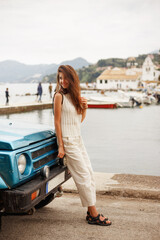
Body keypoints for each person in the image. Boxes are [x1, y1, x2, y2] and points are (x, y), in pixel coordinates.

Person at [53, 65, 112, 226]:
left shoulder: (74, 96)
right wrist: (61, 146)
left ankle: (89, 211)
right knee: (83, 177)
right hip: (68, 141)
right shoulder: (59, 96)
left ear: (72, 78)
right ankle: (93, 214)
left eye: (65, 77)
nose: (62, 81)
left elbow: (78, 122)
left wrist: (85, 108)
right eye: (60, 78)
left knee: (89, 174)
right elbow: (57, 122)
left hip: (78, 139)